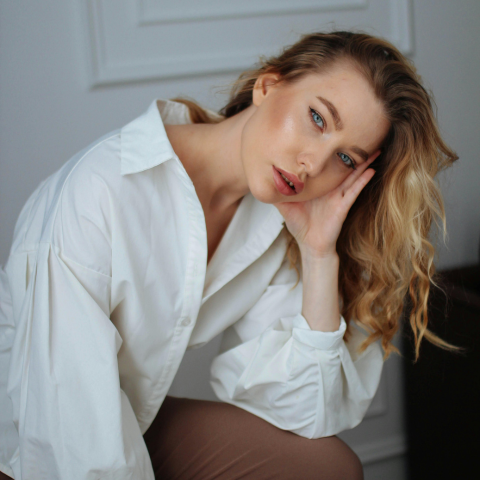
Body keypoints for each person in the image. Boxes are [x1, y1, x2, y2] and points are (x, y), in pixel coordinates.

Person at [0, 30, 459, 479]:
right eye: (318, 119)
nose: (313, 164)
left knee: (327, 468)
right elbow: (68, 430)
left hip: (128, 414)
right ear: (267, 85)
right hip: (30, 440)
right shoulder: (99, 193)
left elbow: (302, 415)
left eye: (345, 159)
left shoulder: (277, 222)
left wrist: (319, 255)